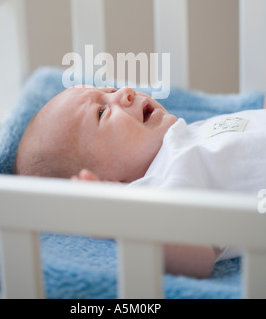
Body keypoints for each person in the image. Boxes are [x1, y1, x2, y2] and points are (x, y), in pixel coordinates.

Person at [14, 86, 266, 279]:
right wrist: (118, 216)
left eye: (110, 91)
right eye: (101, 112)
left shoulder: (183, 135)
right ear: (105, 181)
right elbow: (200, 260)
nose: (125, 92)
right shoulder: (162, 183)